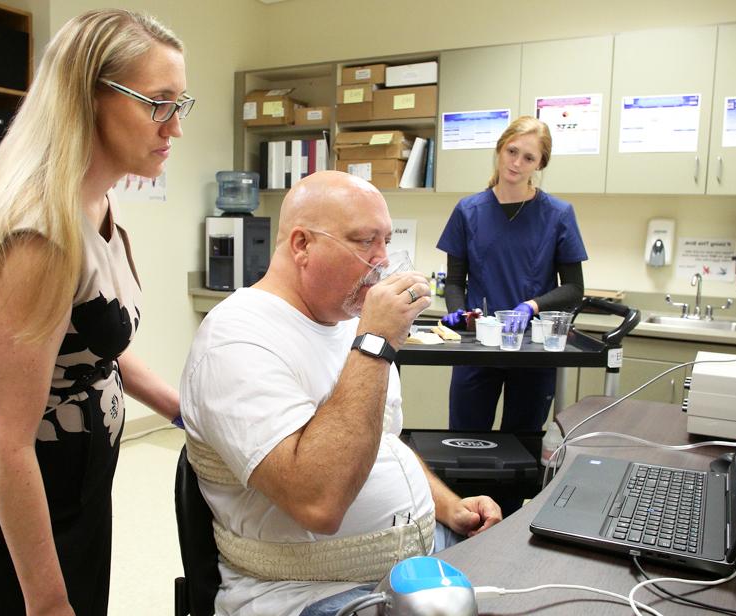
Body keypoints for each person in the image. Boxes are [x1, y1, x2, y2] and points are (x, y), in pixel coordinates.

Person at [0, 10, 190, 615]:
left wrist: (182, 410)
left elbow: (96, 341)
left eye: (182, 104)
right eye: (158, 103)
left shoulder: (96, 202)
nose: (175, 127)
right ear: (87, 97)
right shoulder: (36, 239)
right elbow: (4, 440)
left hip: (72, 471)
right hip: (9, 483)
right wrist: (46, 604)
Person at [180, 170, 503, 616]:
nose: (383, 261)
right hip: (307, 593)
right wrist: (376, 343)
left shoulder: (349, 322)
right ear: (302, 245)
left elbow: (383, 443)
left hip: (413, 562)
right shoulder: (236, 340)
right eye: (364, 241)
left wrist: (449, 506)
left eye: (386, 241)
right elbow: (319, 502)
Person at [437, 116, 588, 433]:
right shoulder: (468, 211)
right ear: (500, 150)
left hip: (531, 349)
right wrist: (458, 313)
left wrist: (530, 306)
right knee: (465, 443)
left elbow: (574, 289)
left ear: (539, 164)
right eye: (512, 151)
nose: (517, 163)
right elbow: (454, 281)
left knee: (522, 447)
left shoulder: (558, 215)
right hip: (477, 346)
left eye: (528, 157)